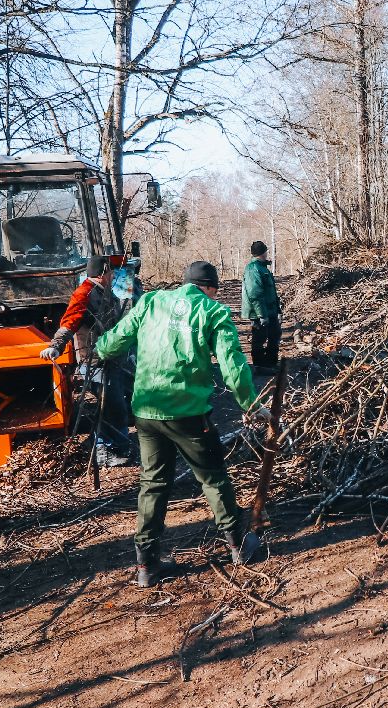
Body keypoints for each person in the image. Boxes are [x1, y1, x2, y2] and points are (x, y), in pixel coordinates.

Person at [97, 260, 270, 587]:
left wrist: (99, 349)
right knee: (212, 476)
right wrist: (252, 405)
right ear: (211, 287)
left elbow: (115, 340)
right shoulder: (214, 312)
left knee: (153, 482)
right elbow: (233, 367)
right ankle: (237, 544)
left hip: (146, 413)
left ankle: (146, 564)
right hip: (189, 414)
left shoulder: (150, 302)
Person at [40, 256, 133, 467]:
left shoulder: (105, 291)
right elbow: (69, 321)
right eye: (111, 273)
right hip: (95, 361)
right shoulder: (84, 293)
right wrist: (56, 346)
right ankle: (102, 451)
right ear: (103, 273)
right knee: (106, 408)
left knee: (116, 405)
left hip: (112, 359)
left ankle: (117, 444)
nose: (113, 277)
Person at [242, 241, 281, 371]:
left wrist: (278, 310)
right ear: (263, 252)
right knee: (260, 338)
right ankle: (260, 366)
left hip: (270, 310)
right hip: (259, 312)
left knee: (275, 334)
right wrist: (261, 314)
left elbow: (271, 291)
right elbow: (254, 293)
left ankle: (271, 363)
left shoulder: (263, 267)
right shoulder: (253, 268)